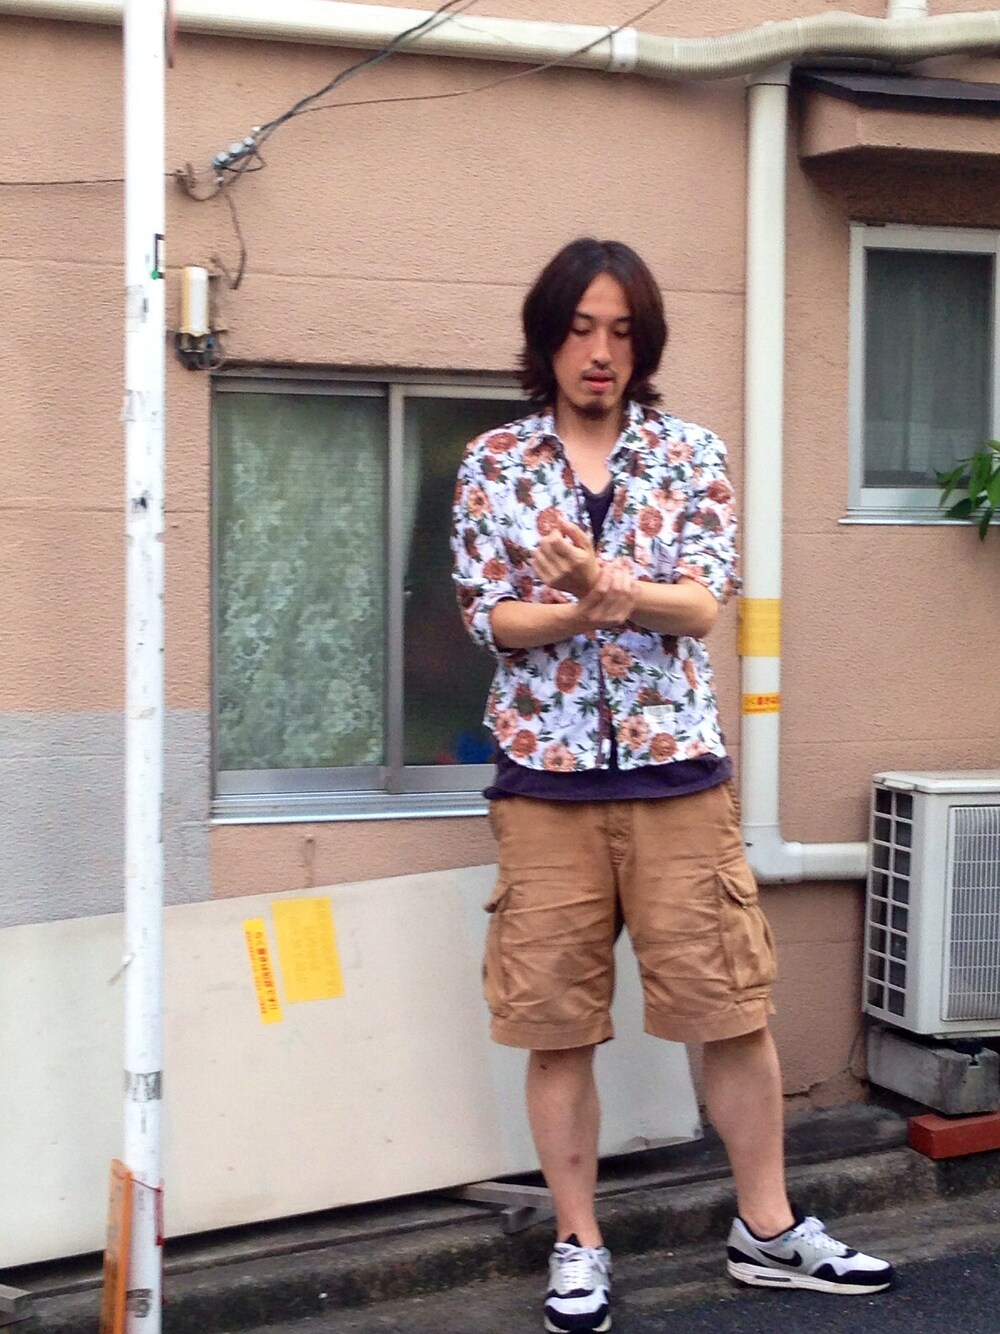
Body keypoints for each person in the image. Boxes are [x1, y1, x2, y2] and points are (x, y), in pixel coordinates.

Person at [450, 237, 893, 1334]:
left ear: (643, 343)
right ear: (546, 338)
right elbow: (491, 618)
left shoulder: (690, 453)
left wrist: (601, 585)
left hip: (677, 778)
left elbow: (700, 604)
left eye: (620, 331)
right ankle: (578, 1243)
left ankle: (768, 1229)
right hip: (544, 785)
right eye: (579, 329)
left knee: (730, 1009)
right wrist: (585, 603)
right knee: (556, 1025)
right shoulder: (494, 463)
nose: (599, 352)